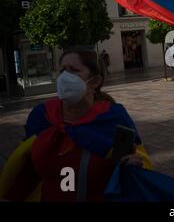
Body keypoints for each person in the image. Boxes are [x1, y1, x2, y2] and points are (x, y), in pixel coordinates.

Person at [0, 48, 152, 202]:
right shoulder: (42, 115)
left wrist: (135, 165)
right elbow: (26, 168)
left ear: (94, 82)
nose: (65, 77)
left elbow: (137, 162)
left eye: (74, 70)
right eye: (63, 70)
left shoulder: (112, 117)